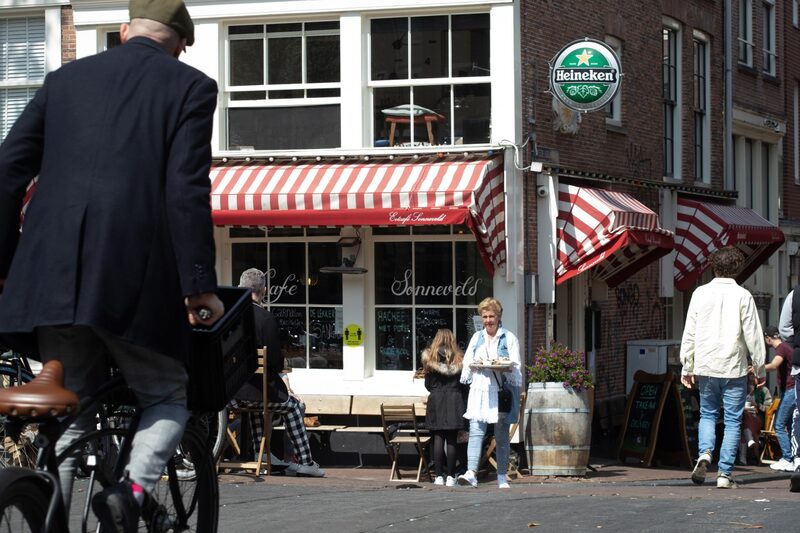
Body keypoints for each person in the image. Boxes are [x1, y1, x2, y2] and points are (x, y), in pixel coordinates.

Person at [0, 1, 224, 530]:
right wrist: (198, 285)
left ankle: (44, 519)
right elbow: (185, 190)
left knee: (70, 405)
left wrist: (6, 264)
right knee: (167, 393)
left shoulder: (62, 80)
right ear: (180, 44)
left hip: (50, 276)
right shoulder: (190, 86)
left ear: (123, 32)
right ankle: (133, 489)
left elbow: (9, 168)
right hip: (132, 280)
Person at [680, 246, 766, 489]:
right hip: (733, 367)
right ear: (737, 268)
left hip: (706, 366)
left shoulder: (699, 293)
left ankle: (705, 454)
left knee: (707, 414)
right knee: (732, 420)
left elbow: (690, 331)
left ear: (713, 266)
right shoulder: (743, 296)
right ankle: (724, 474)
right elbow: (754, 335)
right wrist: (759, 369)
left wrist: (688, 364)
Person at [231, 268, 324, 477]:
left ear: (240, 289)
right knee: (293, 406)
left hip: (230, 394)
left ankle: (260, 453)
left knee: (259, 402)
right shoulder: (266, 319)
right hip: (256, 393)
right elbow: (274, 363)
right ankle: (307, 462)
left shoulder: (229, 318)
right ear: (264, 290)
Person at [457, 297, 523, 489]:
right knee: (476, 432)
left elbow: (515, 367)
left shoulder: (509, 338)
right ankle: (471, 473)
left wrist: (501, 367)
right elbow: (467, 361)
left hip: (499, 392)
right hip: (479, 390)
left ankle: (501, 475)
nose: (488, 320)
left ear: (498, 316)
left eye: (491, 316)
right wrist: (473, 364)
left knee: (501, 435)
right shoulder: (476, 338)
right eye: (485, 316)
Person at [421, 328, 468, 487]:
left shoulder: (430, 358)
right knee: (452, 439)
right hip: (454, 400)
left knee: (438, 438)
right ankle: (451, 476)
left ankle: (439, 476)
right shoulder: (459, 359)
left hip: (436, 400)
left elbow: (427, 385)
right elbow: (464, 384)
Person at [763, 325, 797, 471]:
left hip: (789, 390)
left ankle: (787, 458)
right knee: (790, 425)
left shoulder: (781, 349)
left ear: (768, 338)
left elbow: (775, 364)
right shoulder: (787, 346)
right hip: (792, 390)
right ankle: (794, 457)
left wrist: (758, 368)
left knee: (779, 424)